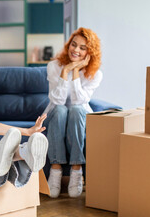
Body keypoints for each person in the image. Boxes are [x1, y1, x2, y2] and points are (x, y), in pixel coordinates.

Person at [43, 27, 102, 198]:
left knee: (76, 110)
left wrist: (76, 71)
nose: (75, 50)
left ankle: (77, 170)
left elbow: (78, 102)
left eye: (82, 48)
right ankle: (55, 170)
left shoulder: (96, 74)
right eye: (73, 45)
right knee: (61, 110)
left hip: (78, 119)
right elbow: (57, 101)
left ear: (89, 52)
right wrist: (65, 71)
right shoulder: (53, 66)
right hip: (54, 117)